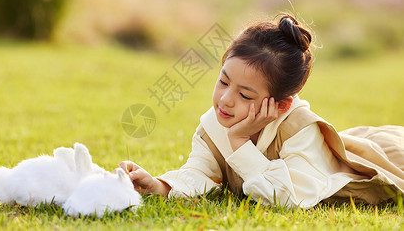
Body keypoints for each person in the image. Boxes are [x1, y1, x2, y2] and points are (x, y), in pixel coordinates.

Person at [119, 14, 404, 208]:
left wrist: (240, 141)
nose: (226, 100)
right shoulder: (214, 126)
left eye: (244, 94)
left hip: (370, 155)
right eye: (223, 81)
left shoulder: (300, 130)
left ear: (280, 105)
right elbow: (201, 173)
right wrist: (160, 186)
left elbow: (284, 197)